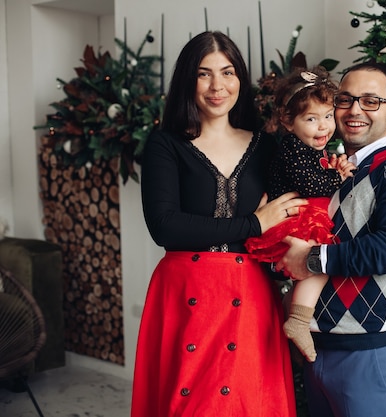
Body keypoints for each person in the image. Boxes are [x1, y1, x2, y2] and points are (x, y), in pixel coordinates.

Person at [132, 31, 305, 417]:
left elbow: (291, 214)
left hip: (252, 295)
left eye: (227, 72)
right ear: (187, 82)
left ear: (239, 79)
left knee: (250, 401)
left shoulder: (267, 146)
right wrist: (253, 224)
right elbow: (166, 227)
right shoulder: (165, 145)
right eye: (203, 74)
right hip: (186, 294)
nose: (217, 86)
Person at [275, 62, 386, 417]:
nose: (355, 110)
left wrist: (312, 258)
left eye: (371, 101)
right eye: (345, 99)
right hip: (315, 345)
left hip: (368, 348)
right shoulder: (325, 167)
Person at [244, 67, 355, 363]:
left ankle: (290, 310)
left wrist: (334, 169)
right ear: (287, 122)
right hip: (294, 221)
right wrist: (338, 179)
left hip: (305, 218)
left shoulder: (310, 149)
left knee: (318, 265)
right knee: (321, 261)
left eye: (328, 116)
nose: (323, 127)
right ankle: (299, 320)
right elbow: (309, 184)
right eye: (311, 119)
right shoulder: (292, 149)